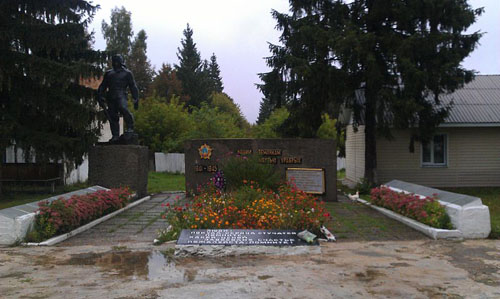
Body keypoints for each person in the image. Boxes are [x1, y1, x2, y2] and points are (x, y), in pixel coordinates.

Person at [97, 54, 139, 142]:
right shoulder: (109, 73)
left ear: (121, 61)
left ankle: (130, 127)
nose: (116, 63)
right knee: (112, 116)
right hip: (111, 96)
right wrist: (100, 95)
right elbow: (103, 86)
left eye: (117, 61)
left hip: (121, 95)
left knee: (124, 109)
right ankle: (115, 135)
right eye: (114, 61)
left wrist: (136, 98)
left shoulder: (127, 73)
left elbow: (133, 86)